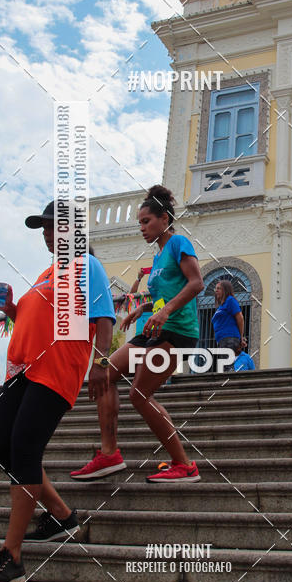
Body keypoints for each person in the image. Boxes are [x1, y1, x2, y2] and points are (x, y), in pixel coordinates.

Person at [0, 201, 115, 582]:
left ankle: (12, 556)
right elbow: (28, 319)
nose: (46, 234)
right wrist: (10, 307)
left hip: (56, 371)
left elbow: (104, 316)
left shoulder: (87, 266)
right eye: (43, 228)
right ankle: (61, 516)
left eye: (53, 226)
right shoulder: (47, 274)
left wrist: (101, 363)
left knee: (24, 448)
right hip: (22, 371)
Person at [70, 185, 204, 483]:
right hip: (155, 329)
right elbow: (162, 295)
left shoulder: (178, 243)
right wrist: (142, 308)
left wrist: (165, 312)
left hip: (178, 332)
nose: (142, 228)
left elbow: (196, 283)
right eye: (139, 223)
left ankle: (184, 465)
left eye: (147, 221)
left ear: (165, 218)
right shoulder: (157, 259)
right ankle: (109, 454)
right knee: (105, 374)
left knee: (139, 395)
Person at [212, 279, 246, 352]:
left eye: (219, 288)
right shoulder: (221, 306)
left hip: (229, 339)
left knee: (227, 360)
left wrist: (241, 337)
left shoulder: (230, 300)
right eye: (215, 289)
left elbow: (240, 318)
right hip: (222, 340)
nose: (216, 291)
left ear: (225, 290)